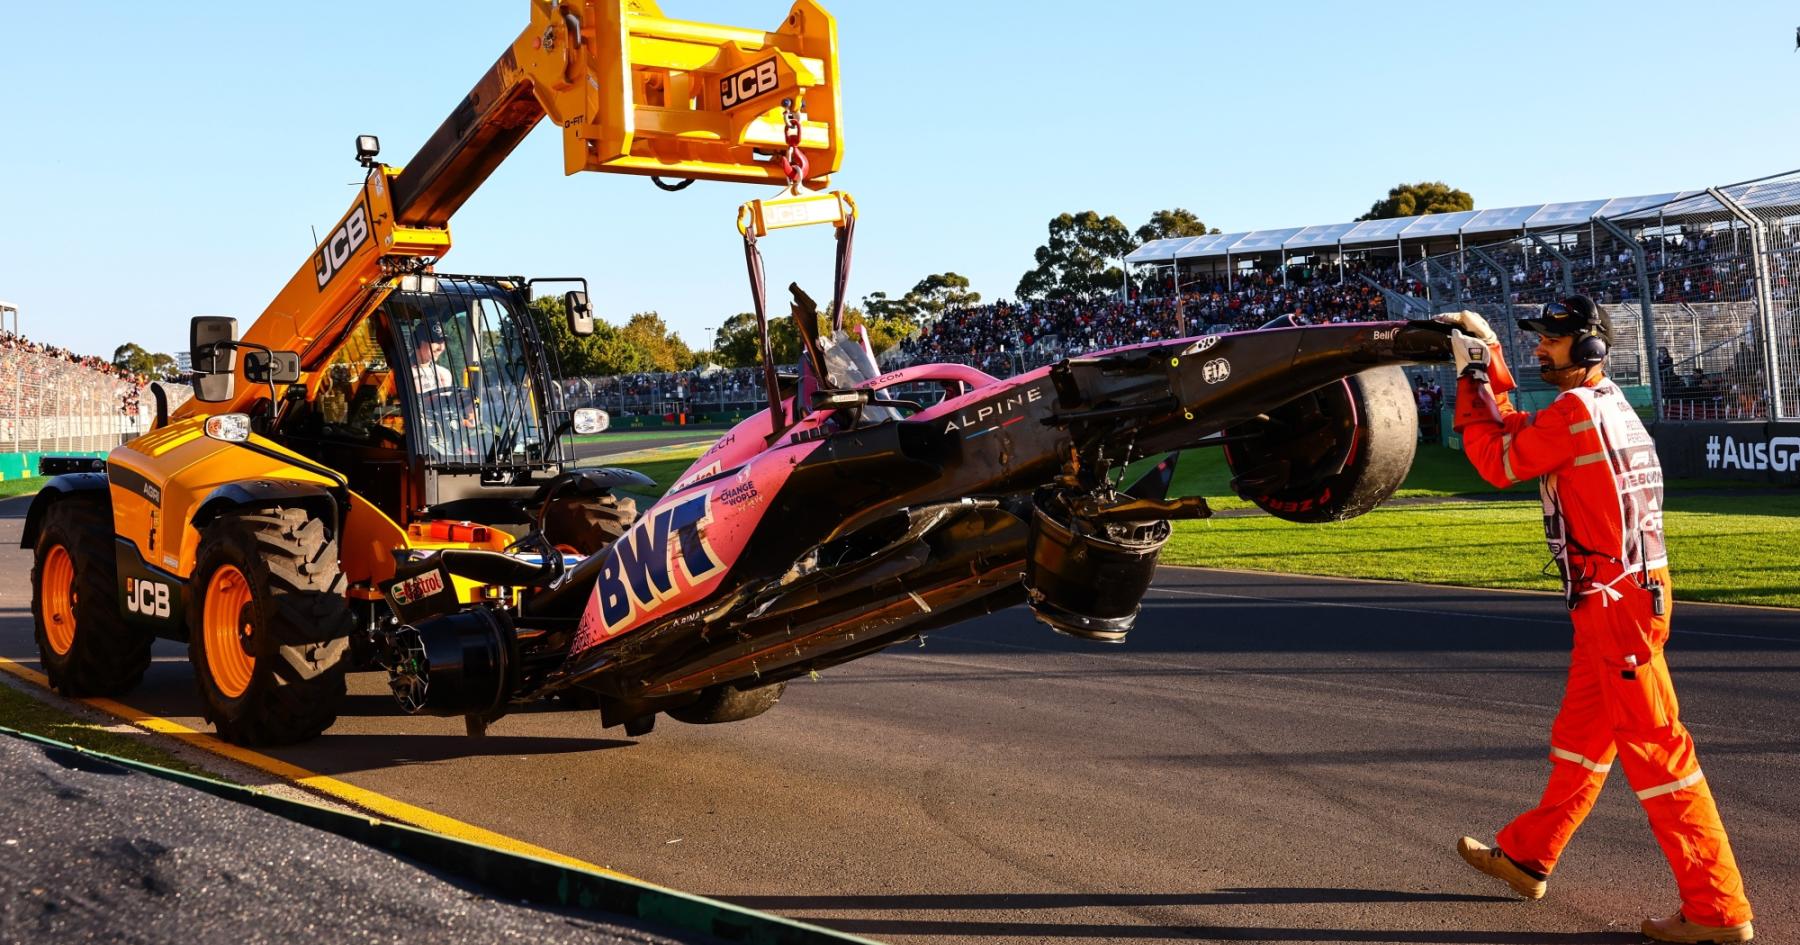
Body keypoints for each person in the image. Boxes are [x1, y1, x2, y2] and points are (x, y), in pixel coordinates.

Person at [1438, 297, 1754, 944]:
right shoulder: (1604, 406)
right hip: (1619, 598)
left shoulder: (1576, 412)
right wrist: (1488, 358)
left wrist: (1473, 379)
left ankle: (1718, 908)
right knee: (1579, 742)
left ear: (1589, 348)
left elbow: (1498, 458)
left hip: (1618, 607)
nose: (1540, 350)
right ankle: (1529, 856)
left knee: (1661, 756)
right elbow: (1523, 428)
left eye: (1552, 341)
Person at [411, 321, 452, 394]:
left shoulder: (444, 373)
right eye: (436, 341)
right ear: (417, 342)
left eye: (443, 342)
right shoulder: (402, 374)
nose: (442, 348)